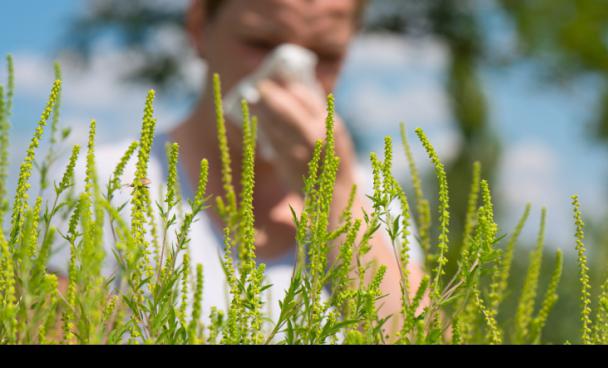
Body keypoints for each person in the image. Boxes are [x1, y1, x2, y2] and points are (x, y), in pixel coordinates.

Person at [51, 0, 427, 341]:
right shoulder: (103, 182)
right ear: (200, 28)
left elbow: (414, 335)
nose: (286, 76)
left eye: (325, 54)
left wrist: (335, 196)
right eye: (260, 43)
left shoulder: (373, 200)